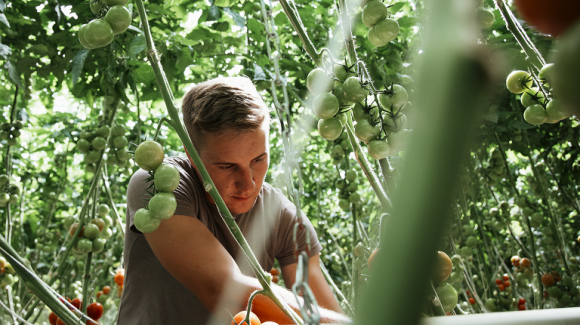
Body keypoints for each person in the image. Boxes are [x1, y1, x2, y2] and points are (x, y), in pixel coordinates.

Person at [117, 77, 351, 324]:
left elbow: (322, 312)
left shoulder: (284, 218)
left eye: (258, 160)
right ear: (191, 156)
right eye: (227, 166)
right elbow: (222, 291)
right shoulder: (159, 186)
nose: (248, 184)